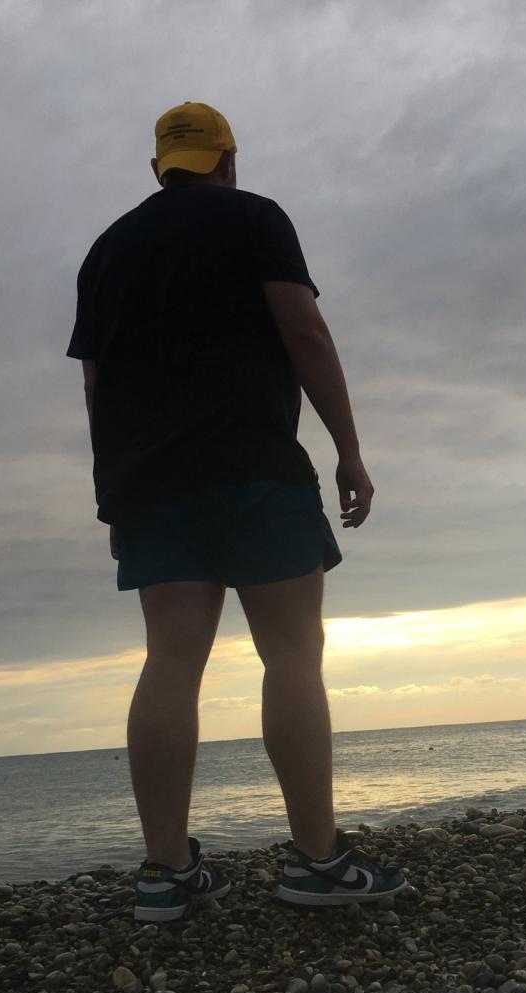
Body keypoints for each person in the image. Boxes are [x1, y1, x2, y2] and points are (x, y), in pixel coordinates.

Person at [66, 100, 408, 922]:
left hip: (149, 484)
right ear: (227, 159)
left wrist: (114, 491)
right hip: (252, 465)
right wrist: (349, 449)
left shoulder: (104, 252)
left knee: (171, 659)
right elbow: (306, 333)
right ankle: (318, 863)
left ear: (158, 167)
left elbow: (95, 385)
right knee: (291, 653)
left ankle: (166, 873)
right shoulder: (254, 217)